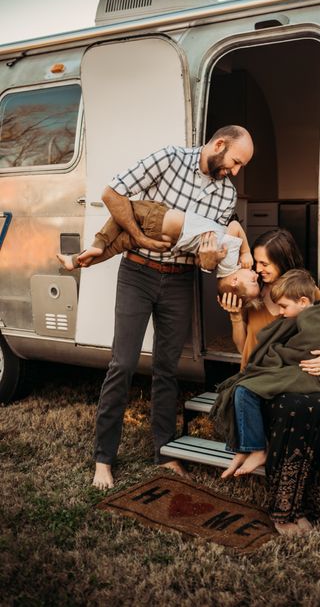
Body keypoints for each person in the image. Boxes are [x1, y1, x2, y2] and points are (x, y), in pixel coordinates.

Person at [92, 125, 254, 490]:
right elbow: (112, 194)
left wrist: (210, 261)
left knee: (167, 368)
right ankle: (103, 458)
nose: (235, 171)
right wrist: (138, 235)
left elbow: (207, 260)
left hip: (181, 279)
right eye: (235, 161)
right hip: (137, 271)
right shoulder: (169, 158)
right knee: (123, 363)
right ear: (219, 144)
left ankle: (164, 452)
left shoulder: (226, 194)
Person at [218, 228, 320, 536]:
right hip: (264, 375)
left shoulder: (304, 292)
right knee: (293, 409)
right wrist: (236, 317)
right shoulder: (252, 294)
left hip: (295, 373)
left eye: (264, 264)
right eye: (256, 263)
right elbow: (243, 351)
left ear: (283, 260)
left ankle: (303, 501)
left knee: (315, 405)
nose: (257, 270)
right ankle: (283, 509)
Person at [211, 269, 320, 480]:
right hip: (291, 369)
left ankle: (256, 450)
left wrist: (278, 353)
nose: (257, 270)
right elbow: (266, 342)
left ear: (304, 301)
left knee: (244, 389)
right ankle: (246, 448)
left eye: (284, 307)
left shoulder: (313, 316)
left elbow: (308, 349)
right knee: (242, 389)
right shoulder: (289, 310)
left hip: (306, 373)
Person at [57, 205, 259, 302]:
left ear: (234, 282)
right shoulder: (224, 268)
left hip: (164, 221)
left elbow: (234, 226)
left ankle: (98, 244)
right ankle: (75, 261)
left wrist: (246, 251)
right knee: (121, 244)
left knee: (125, 208)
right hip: (168, 238)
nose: (256, 275)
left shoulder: (232, 262)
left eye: (253, 281)